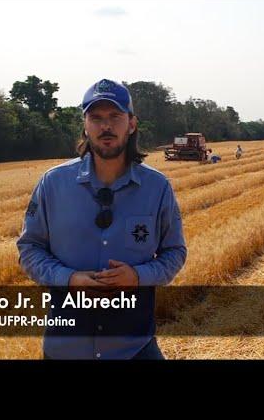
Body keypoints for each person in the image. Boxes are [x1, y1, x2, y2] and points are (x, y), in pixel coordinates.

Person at [16, 78, 187, 360]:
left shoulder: (157, 188)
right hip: (65, 349)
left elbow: (175, 251)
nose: (105, 126)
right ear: (85, 125)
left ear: (131, 124)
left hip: (134, 348)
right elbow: (29, 248)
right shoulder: (53, 184)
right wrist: (69, 279)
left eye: (115, 117)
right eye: (96, 118)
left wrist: (138, 276)